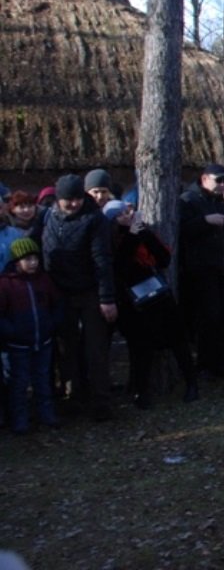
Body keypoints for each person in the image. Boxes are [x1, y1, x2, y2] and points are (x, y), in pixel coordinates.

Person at [31, 174, 118, 421]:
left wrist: (106, 298)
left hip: (89, 291)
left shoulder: (94, 219)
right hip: (58, 291)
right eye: (68, 199)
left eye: (78, 198)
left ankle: (101, 401)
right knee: (66, 347)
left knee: (95, 348)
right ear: (58, 198)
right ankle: (72, 397)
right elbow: (33, 245)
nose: (73, 204)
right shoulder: (46, 217)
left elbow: (102, 260)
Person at [105, 200, 198, 407]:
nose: (127, 216)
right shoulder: (110, 240)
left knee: (177, 338)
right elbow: (120, 267)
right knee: (140, 345)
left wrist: (143, 235)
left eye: (127, 212)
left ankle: (191, 383)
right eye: (120, 214)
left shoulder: (143, 232)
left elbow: (163, 259)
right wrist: (131, 237)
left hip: (157, 292)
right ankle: (141, 391)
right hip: (131, 300)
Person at [179, 163, 224, 380]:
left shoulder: (221, 202)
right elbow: (182, 230)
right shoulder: (189, 200)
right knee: (208, 318)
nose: (222, 185)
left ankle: (223, 363)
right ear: (204, 179)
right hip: (202, 270)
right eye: (218, 180)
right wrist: (205, 221)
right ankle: (205, 365)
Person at [0, 238, 62, 433]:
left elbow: (57, 303)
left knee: (43, 379)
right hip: (18, 345)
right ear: (17, 261)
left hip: (43, 340)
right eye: (27, 259)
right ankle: (20, 419)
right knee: (19, 382)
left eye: (35, 258)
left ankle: (47, 414)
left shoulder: (44, 280)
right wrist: (11, 332)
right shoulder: (6, 284)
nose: (33, 263)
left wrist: (52, 324)